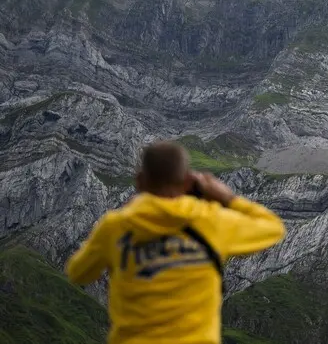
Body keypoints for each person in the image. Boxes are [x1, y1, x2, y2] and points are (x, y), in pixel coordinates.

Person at [65, 141, 286, 344]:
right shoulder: (210, 221)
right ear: (189, 181)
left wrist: (107, 233)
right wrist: (228, 198)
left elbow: (78, 273)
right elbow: (273, 228)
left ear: (140, 180)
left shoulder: (115, 227)